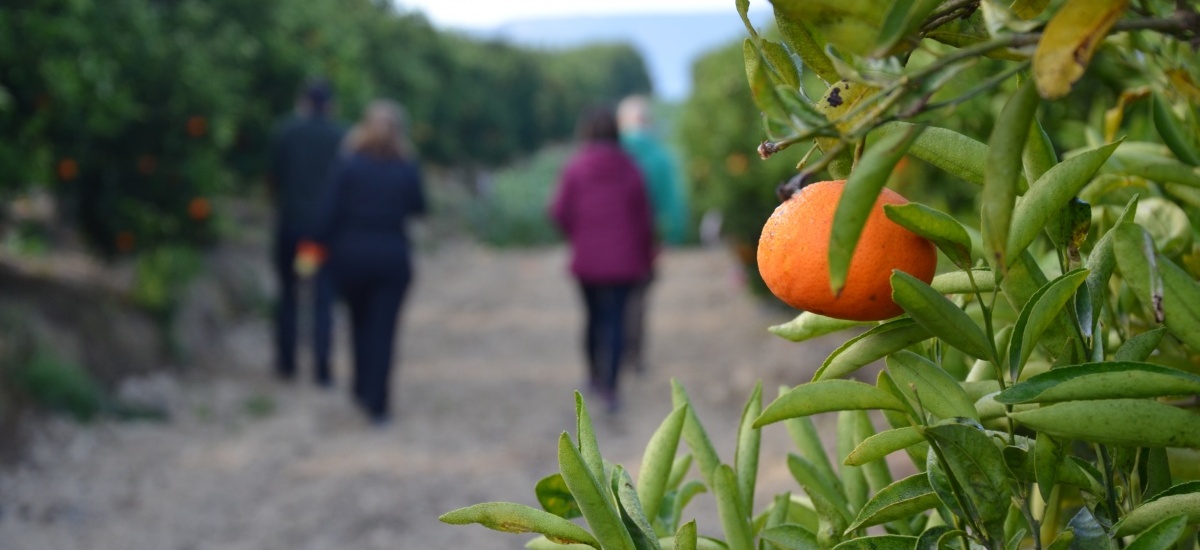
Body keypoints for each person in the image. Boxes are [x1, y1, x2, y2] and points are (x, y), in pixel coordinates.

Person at [311, 100, 426, 425]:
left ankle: (361, 387)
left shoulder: (349, 165)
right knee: (383, 330)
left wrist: (312, 255)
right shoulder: (406, 167)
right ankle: (378, 403)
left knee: (359, 323)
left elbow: (328, 213)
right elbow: (419, 206)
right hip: (391, 255)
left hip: (351, 256)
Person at [549, 106, 656, 412]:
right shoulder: (631, 168)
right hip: (625, 261)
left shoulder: (575, 168)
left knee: (593, 319)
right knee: (617, 321)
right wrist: (646, 255)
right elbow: (644, 219)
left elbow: (557, 211)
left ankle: (594, 376)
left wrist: (577, 235)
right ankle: (611, 387)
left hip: (588, 260)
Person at [268, 79, 345, 387]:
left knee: (289, 293)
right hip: (320, 236)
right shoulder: (341, 137)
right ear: (330, 105)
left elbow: (273, 178)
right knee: (320, 296)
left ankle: (286, 363)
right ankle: (322, 368)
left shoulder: (286, 132)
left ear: (303, 102)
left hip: (291, 228)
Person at [616, 95, 688, 373]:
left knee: (614, 300)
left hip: (614, 240)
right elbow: (672, 202)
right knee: (638, 300)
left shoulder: (613, 152)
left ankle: (615, 352)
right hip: (647, 241)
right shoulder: (661, 157)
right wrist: (671, 236)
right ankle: (635, 356)